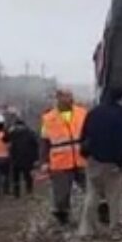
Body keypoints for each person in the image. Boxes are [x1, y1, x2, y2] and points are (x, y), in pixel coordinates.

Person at [79, 90, 122, 240]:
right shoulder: (121, 114)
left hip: (93, 161)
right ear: (121, 98)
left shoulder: (93, 113)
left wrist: (87, 155)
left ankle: (86, 230)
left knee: (92, 195)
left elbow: (83, 136)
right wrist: (120, 162)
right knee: (114, 197)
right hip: (112, 162)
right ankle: (115, 230)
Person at [40, 89, 88, 225]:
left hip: (82, 158)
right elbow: (44, 142)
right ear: (58, 98)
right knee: (61, 194)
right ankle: (62, 215)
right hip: (60, 162)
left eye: (70, 96)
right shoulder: (48, 118)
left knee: (92, 189)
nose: (68, 99)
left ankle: (101, 210)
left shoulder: (82, 113)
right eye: (65, 96)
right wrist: (44, 161)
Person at [4, 118, 39, 198]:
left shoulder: (13, 133)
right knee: (27, 176)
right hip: (28, 158)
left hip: (15, 158)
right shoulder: (30, 132)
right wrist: (36, 158)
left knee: (16, 177)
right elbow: (36, 144)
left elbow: (4, 139)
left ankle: (17, 193)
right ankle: (29, 190)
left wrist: (8, 129)